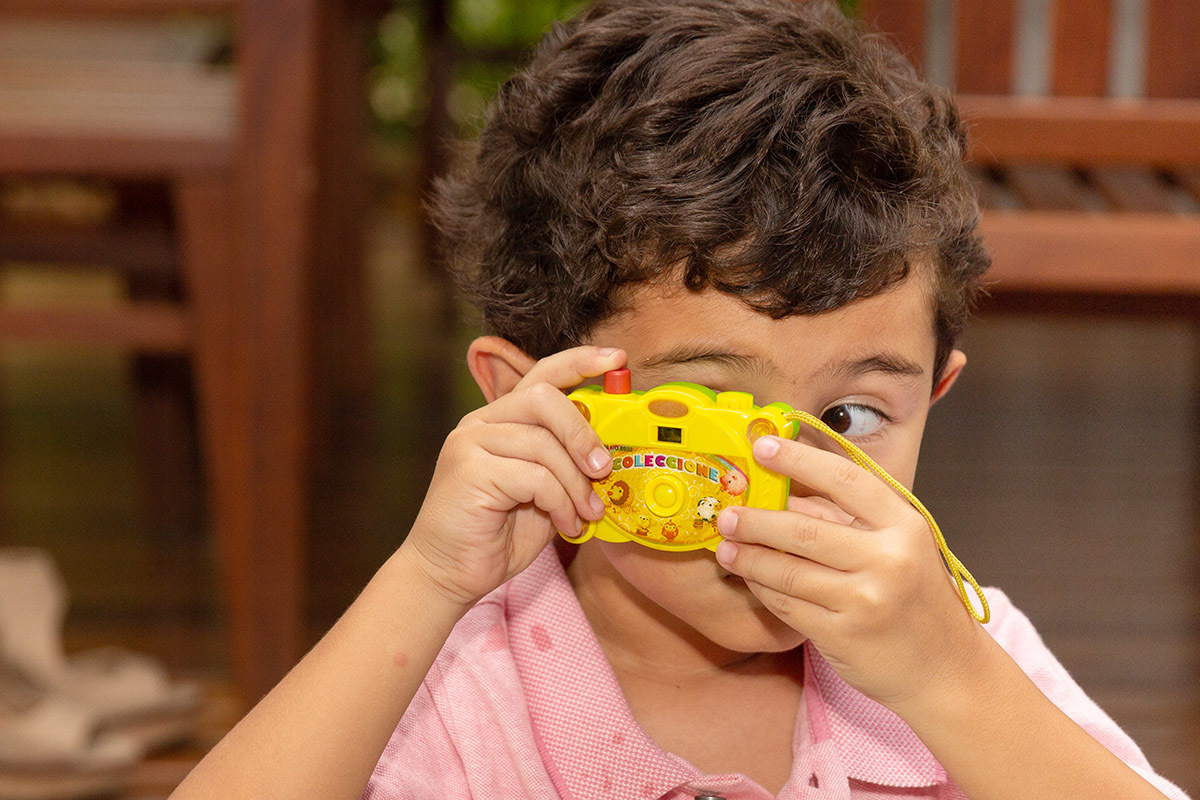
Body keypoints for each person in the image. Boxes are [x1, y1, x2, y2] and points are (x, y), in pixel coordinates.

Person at [170, 1, 1190, 798]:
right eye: (705, 411)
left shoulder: (956, 644)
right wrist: (428, 579)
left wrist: (950, 681)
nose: (784, 478)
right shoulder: (459, 675)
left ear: (937, 389)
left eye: (850, 419)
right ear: (529, 403)